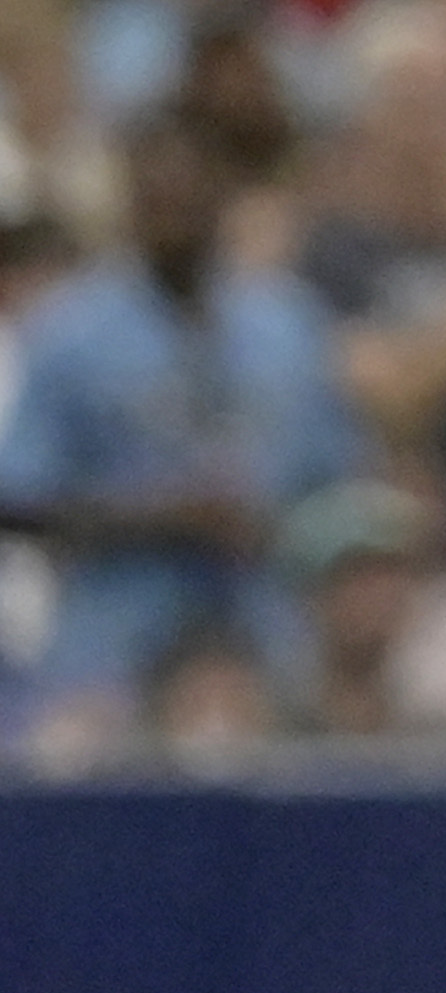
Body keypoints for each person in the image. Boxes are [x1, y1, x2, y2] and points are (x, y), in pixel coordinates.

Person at [0, 115, 361, 740]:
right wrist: (160, 516)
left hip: (266, 626)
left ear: (223, 196)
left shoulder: (285, 326)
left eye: (190, 194)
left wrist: (283, 525)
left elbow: (335, 481)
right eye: (157, 196)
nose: (175, 213)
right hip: (117, 635)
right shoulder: (69, 333)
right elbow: (19, 501)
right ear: (130, 204)